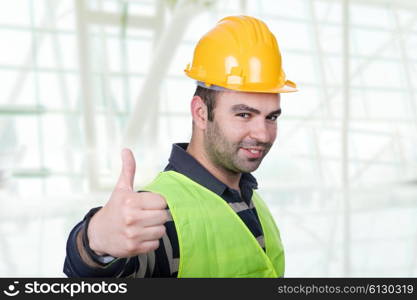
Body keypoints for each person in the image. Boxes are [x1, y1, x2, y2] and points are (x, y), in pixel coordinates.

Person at [64, 15, 297, 278]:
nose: (263, 134)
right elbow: (95, 276)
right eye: (244, 115)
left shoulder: (252, 198)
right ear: (200, 113)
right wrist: (95, 241)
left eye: (271, 117)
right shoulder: (159, 212)